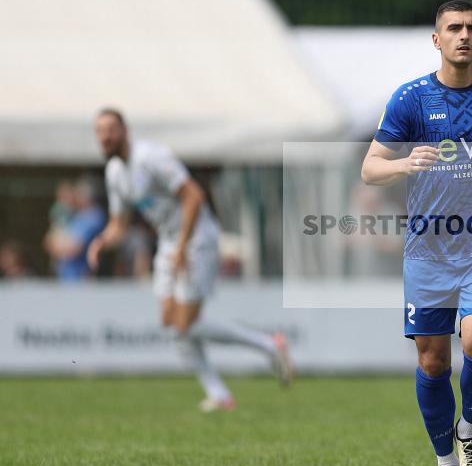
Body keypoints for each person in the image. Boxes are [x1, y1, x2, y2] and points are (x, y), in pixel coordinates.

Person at [361, 0, 472, 466]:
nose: (463, 35)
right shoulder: (410, 99)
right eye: (453, 28)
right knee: (433, 362)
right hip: (428, 251)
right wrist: (404, 165)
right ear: (437, 40)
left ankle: (469, 433)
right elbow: (370, 168)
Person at [87, 108, 292, 411]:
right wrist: (101, 242)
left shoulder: (150, 157)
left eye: (110, 130)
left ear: (124, 131)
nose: (104, 136)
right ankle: (221, 395)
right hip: (171, 242)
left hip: (196, 238)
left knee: (184, 323)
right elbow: (120, 223)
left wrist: (182, 248)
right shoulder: (115, 173)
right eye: (100, 131)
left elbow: (194, 196)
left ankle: (268, 345)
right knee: (173, 324)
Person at [44, 177, 106, 280]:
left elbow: (73, 249)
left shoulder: (94, 216)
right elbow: (47, 243)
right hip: (65, 280)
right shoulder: (76, 216)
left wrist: (57, 245)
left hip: (81, 280)